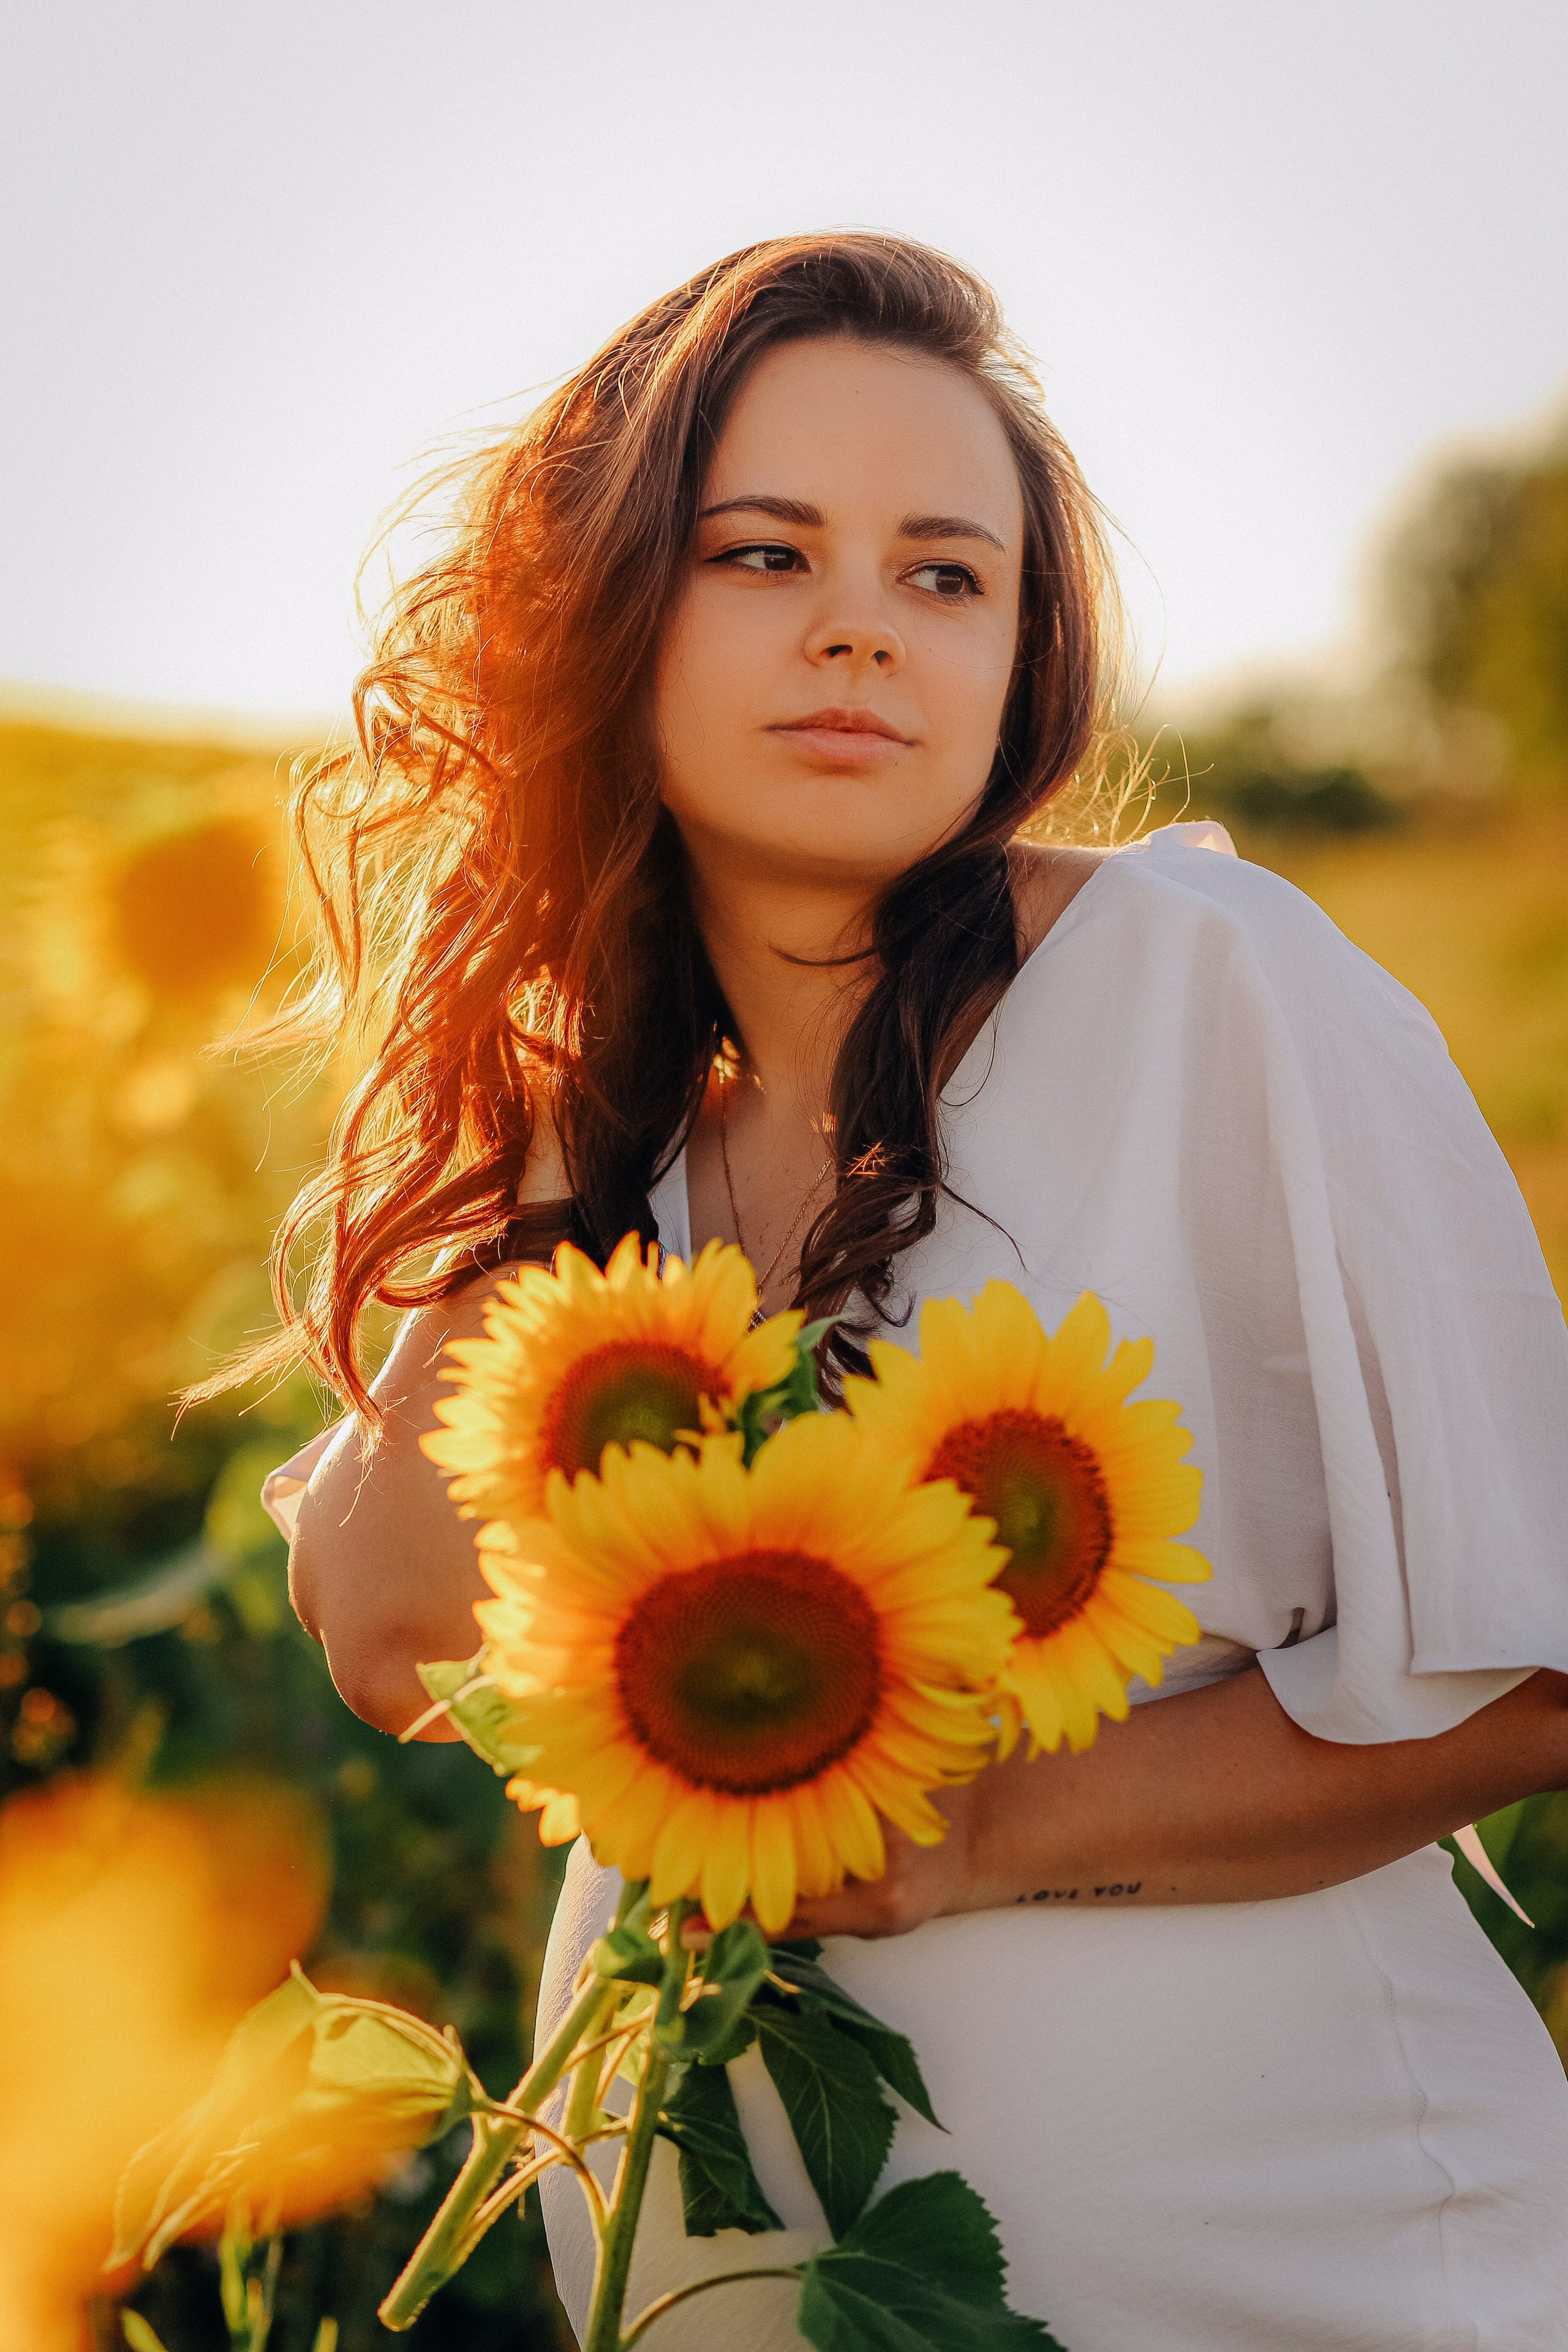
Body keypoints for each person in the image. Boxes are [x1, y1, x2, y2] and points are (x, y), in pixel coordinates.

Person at [258, 235, 1568, 2349]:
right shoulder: (625, 1143)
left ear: (1017, 662)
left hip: (1289, 2273)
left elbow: (1535, 1670)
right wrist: (557, 1054)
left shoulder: (1205, 987)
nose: (861, 623)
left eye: (945, 575)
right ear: (603, 612)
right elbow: (403, 1633)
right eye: (764, 553)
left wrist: (963, 1836)